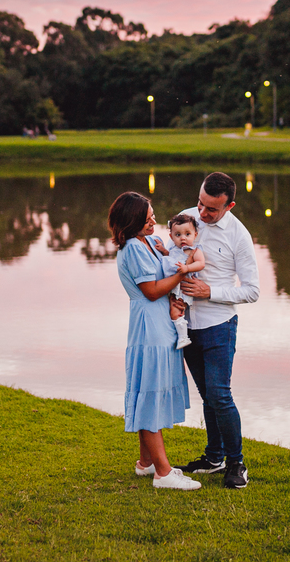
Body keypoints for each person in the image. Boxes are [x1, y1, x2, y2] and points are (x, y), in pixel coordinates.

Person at [107, 191, 201, 491]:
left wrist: (167, 257)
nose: (155, 222)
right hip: (150, 325)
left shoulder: (147, 242)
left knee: (151, 388)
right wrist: (181, 273)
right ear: (133, 220)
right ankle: (163, 473)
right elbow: (151, 290)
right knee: (150, 390)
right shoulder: (133, 248)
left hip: (162, 321)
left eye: (153, 216)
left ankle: (146, 463)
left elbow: (162, 273)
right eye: (148, 218)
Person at [176, 172, 260, 489]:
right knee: (206, 395)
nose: (202, 213)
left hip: (219, 326)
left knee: (219, 395)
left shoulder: (239, 235)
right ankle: (214, 458)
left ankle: (236, 463)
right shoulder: (187, 219)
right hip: (186, 326)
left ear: (229, 205)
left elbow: (252, 291)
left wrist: (209, 292)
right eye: (201, 203)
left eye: (211, 209)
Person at [152, 213, 206, 350]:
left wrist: (187, 267)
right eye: (178, 235)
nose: (183, 238)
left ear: (195, 234)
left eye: (187, 234)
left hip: (183, 288)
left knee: (175, 311)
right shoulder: (174, 250)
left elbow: (200, 264)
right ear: (171, 237)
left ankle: (183, 337)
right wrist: (164, 251)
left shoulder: (194, 250)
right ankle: (179, 334)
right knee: (171, 309)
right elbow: (171, 260)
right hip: (173, 286)